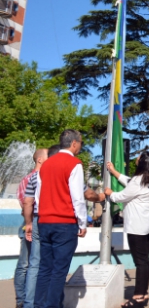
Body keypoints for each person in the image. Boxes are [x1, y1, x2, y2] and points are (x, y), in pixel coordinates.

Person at [34, 130, 88, 308]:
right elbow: (77, 198)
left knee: (45, 268)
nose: (80, 146)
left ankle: (39, 304)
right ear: (74, 144)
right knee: (59, 271)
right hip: (64, 223)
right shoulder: (74, 164)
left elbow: (38, 196)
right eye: (80, 142)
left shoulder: (46, 165)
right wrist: (82, 222)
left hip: (44, 222)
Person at [105, 151, 149, 308]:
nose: (136, 159)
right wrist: (115, 172)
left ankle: (138, 297)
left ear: (142, 162)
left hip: (137, 228)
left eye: (139, 157)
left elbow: (122, 196)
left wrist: (110, 193)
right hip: (148, 227)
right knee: (145, 260)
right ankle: (143, 292)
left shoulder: (138, 181)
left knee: (140, 262)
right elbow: (129, 183)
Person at [14, 148, 47, 308]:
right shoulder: (29, 179)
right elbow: (25, 202)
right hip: (31, 223)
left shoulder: (44, 177)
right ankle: (21, 300)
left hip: (38, 224)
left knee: (33, 264)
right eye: (48, 156)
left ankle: (30, 299)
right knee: (25, 264)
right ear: (40, 159)